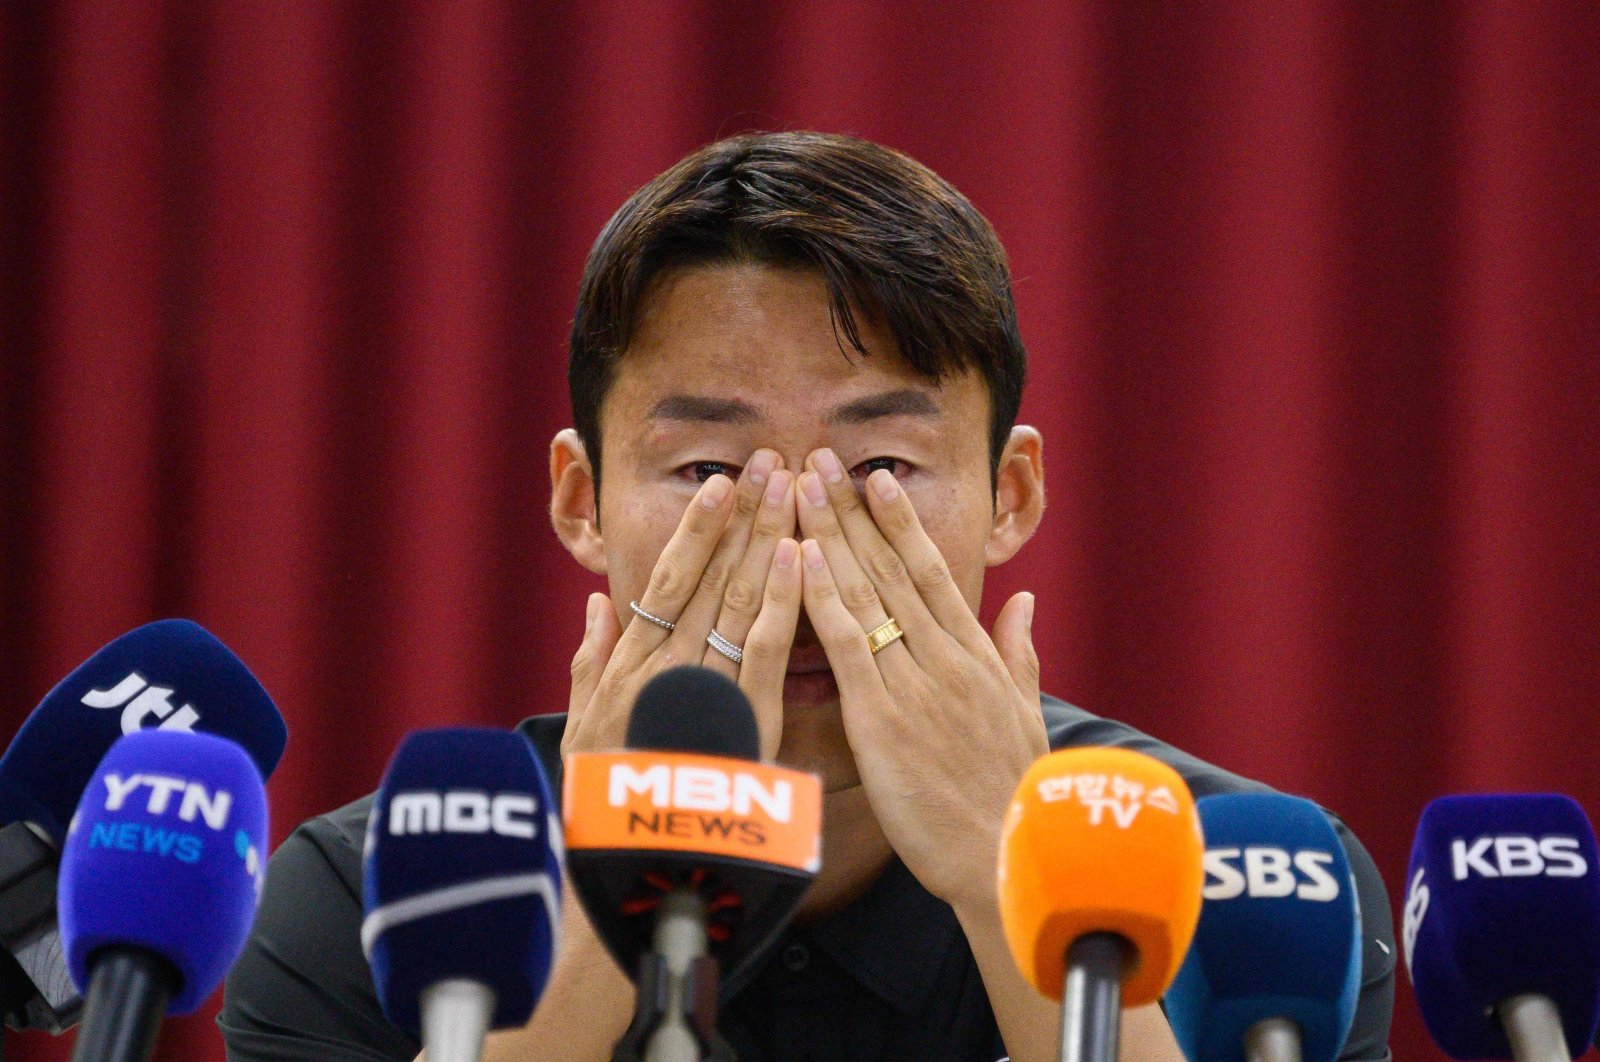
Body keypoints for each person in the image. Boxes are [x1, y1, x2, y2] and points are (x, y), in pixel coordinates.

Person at [220, 131, 1394, 1061]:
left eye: (878, 469)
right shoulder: (390, 897)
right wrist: (604, 887)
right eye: (709, 473)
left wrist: (1008, 870)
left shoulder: (1247, 887)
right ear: (579, 501)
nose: (794, 539)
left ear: (1010, 493)